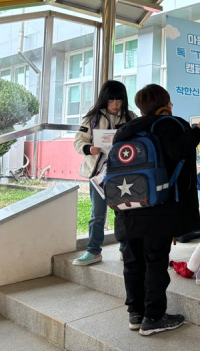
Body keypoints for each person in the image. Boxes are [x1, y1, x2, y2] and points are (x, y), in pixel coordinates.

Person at [112, 84, 200, 336]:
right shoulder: (168, 124)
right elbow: (178, 151)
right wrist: (199, 129)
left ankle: (135, 314)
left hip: (127, 207)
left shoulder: (124, 132)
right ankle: (154, 317)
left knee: (132, 262)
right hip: (158, 208)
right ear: (165, 103)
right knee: (155, 262)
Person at [73, 80, 135, 266]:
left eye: (119, 100)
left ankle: (125, 249)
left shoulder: (131, 117)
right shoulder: (91, 118)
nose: (115, 105)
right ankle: (93, 251)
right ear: (104, 100)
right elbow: (78, 142)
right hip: (97, 174)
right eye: (111, 100)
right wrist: (89, 148)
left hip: (122, 173)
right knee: (97, 214)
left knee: (123, 213)